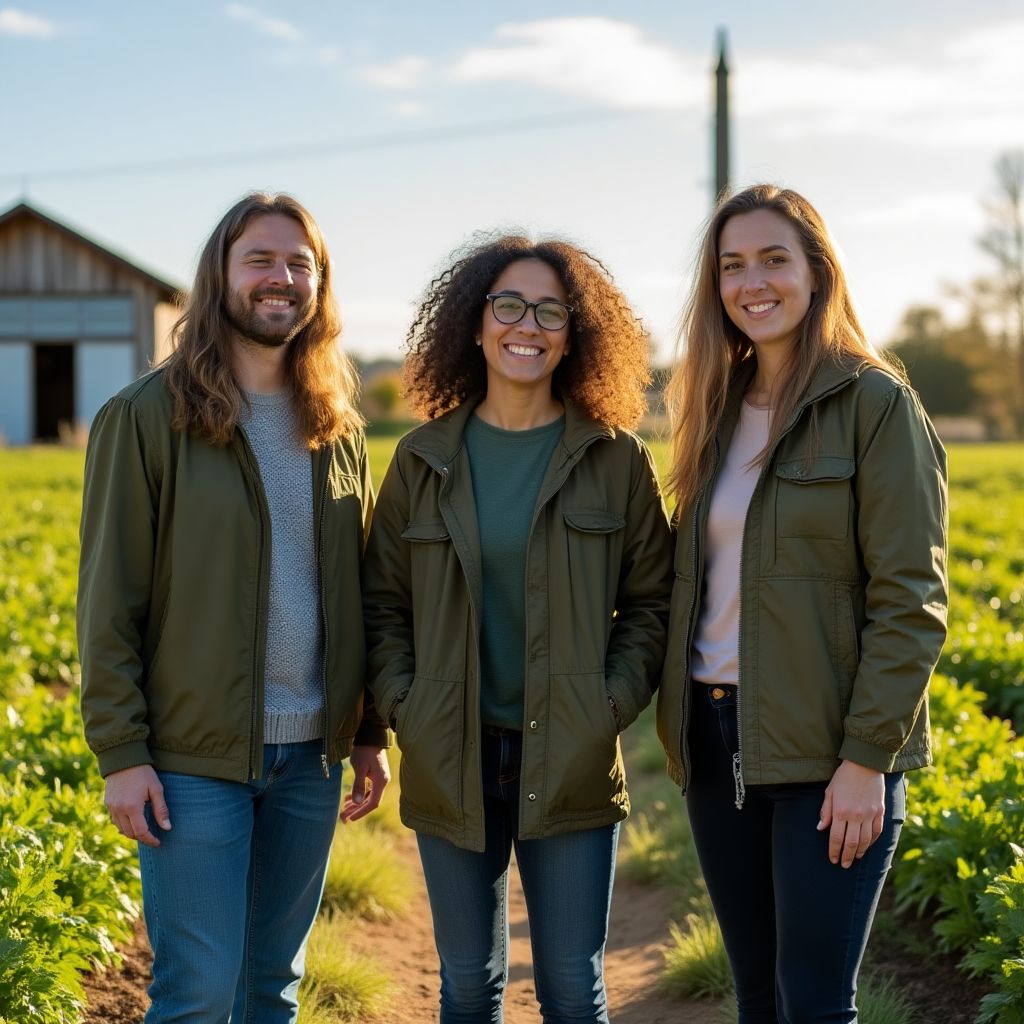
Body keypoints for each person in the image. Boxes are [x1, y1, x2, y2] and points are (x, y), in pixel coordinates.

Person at [77, 192, 390, 1024]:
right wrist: (121, 750)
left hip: (310, 759)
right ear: (220, 273)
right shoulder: (146, 417)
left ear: (320, 286)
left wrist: (367, 730)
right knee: (197, 995)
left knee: (271, 989)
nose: (280, 278)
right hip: (191, 757)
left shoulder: (339, 427)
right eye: (260, 258)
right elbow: (109, 598)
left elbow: (356, 591)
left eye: (300, 263)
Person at [362, 233, 673, 1023]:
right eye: (508, 305)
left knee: (573, 985)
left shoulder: (615, 460)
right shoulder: (420, 459)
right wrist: (408, 705)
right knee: (469, 985)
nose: (525, 324)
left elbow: (651, 604)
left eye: (549, 310)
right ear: (474, 323)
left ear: (575, 333)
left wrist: (606, 704)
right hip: (450, 749)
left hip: (569, 749)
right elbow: (382, 605)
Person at [657, 183, 948, 1024]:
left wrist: (867, 760)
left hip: (829, 756)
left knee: (813, 1001)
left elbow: (912, 601)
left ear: (817, 273)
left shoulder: (876, 405)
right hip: (718, 742)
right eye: (733, 265)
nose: (754, 282)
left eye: (774, 260)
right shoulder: (710, 412)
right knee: (756, 994)